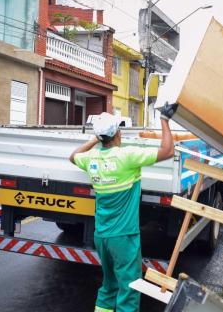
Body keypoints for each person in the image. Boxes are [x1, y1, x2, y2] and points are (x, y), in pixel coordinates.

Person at [70, 104, 177, 312]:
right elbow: (168, 151)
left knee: (109, 285)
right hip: (124, 237)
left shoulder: (91, 159)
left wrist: (94, 140)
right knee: (129, 289)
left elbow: (73, 156)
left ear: (101, 137)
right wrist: (164, 119)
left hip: (102, 235)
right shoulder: (127, 157)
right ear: (118, 133)